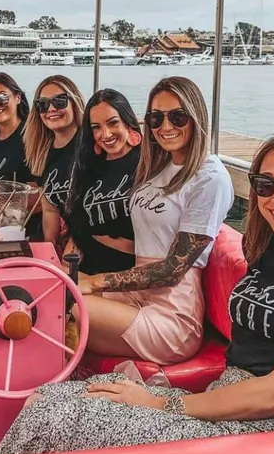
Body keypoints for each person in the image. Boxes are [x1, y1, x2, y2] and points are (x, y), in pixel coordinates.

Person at [0, 129, 274, 454]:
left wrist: (162, 403)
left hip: (266, 427)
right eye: (265, 185)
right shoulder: (270, 249)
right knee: (47, 398)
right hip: (222, 397)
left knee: (55, 417)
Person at [74, 76, 234, 365]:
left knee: (69, 308)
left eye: (178, 117)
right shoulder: (159, 166)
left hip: (172, 314)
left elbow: (172, 270)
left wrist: (95, 282)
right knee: (53, 298)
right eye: (156, 118)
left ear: (196, 117)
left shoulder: (210, 178)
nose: (166, 126)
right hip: (137, 295)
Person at [64, 89, 142, 276]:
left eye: (113, 123)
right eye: (96, 127)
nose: (105, 134)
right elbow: (78, 225)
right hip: (85, 271)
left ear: (128, 121)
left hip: (127, 276)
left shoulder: (147, 164)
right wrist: (67, 270)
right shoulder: (88, 166)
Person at [24, 76, 85, 246]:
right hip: (66, 243)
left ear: (74, 103)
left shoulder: (91, 144)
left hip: (91, 242)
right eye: (42, 104)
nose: (51, 109)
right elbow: (50, 210)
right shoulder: (41, 152)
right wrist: (50, 249)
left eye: (59, 101)